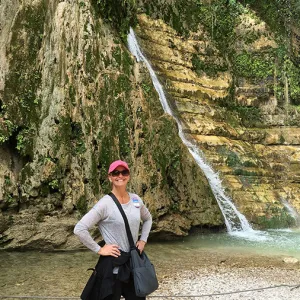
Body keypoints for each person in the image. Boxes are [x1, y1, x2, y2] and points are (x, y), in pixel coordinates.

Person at [74, 160, 152, 300]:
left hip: (133, 266)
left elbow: (148, 219)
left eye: (124, 172)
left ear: (128, 176)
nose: (120, 176)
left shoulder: (136, 200)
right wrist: (99, 249)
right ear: (110, 177)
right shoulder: (105, 204)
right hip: (112, 269)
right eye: (116, 172)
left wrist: (143, 240)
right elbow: (79, 229)